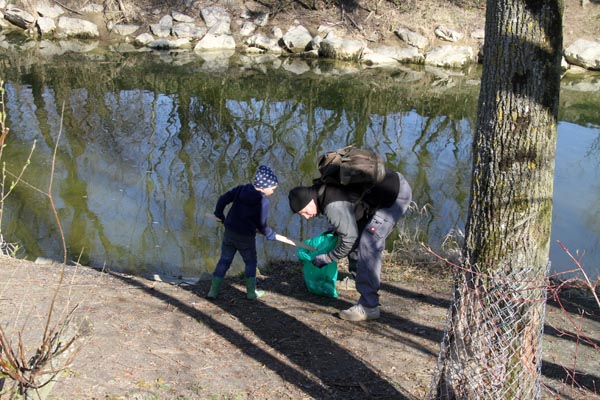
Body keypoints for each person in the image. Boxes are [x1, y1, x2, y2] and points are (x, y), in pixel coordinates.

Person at [288, 168, 412, 321]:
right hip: (379, 192)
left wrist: (327, 258)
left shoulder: (332, 206)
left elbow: (349, 240)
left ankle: (369, 307)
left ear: (309, 201)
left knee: (368, 243)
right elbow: (348, 219)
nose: (307, 218)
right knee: (353, 234)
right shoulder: (321, 191)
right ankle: (357, 278)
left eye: (304, 212)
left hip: (395, 195)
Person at [207, 165, 279, 300]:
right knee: (250, 262)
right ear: (264, 187)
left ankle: (213, 291)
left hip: (230, 232)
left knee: (224, 260)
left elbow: (223, 199)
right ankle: (251, 293)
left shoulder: (240, 189)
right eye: (273, 188)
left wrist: (219, 214)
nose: (273, 191)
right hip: (246, 238)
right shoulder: (263, 202)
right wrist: (269, 233)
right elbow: (261, 224)